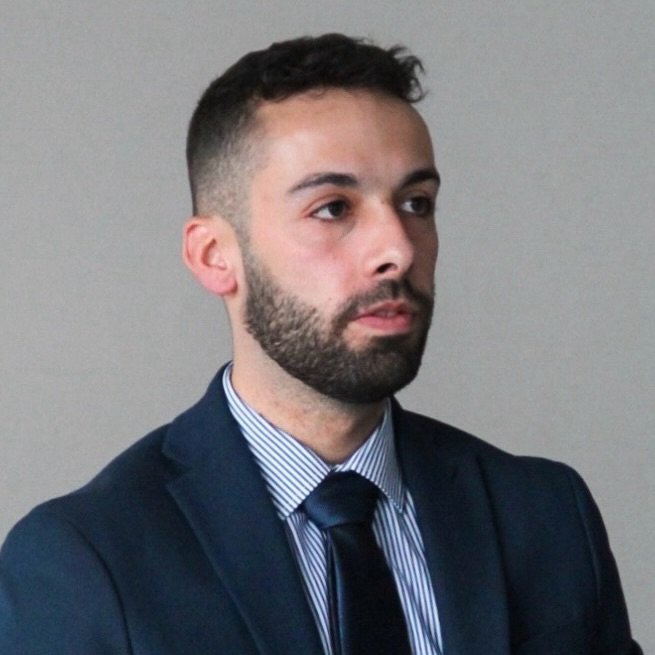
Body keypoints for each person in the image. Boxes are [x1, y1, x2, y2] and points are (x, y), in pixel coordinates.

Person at [0, 34, 641, 655]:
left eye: (417, 203)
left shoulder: (546, 516)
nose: (398, 249)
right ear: (216, 255)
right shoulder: (84, 561)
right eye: (333, 208)